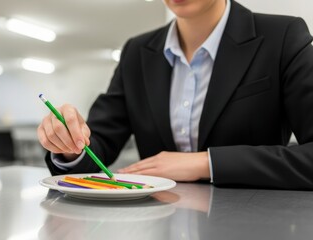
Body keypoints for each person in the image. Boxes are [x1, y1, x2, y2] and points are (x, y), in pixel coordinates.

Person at [37, 0, 313, 189]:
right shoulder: (137, 51)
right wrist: (69, 144)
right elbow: (99, 144)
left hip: (252, 222)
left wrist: (206, 163)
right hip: (159, 220)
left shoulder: (283, 36)